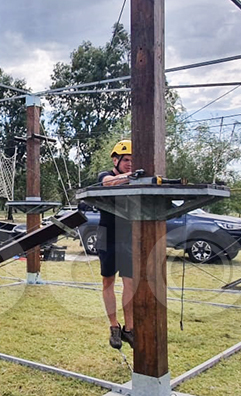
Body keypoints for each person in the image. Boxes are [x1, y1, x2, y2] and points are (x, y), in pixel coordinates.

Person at [97, 139, 135, 349]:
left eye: (133, 160)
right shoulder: (105, 175)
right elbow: (108, 183)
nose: (130, 163)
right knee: (108, 281)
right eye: (126, 159)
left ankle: (129, 328)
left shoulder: (135, 179)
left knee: (130, 283)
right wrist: (133, 176)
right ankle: (114, 326)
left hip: (127, 235)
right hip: (107, 234)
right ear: (116, 159)